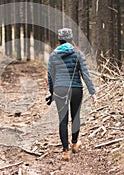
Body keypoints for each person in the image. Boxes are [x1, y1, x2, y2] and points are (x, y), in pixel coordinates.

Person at [47, 28, 96, 161]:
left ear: (59, 39)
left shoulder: (53, 55)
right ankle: (74, 144)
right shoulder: (78, 54)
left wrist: (52, 92)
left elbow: (50, 76)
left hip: (60, 89)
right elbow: (85, 74)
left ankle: (65, 151)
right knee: (75, 117)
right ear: (71, 39)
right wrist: (92, 92)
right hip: (76, 89)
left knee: (62, 120)